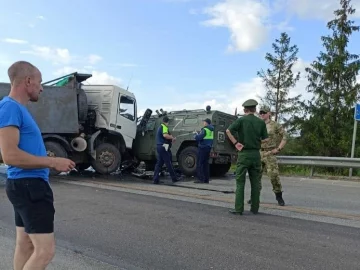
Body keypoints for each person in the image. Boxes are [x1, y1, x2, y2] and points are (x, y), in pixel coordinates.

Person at [0, 61, 75, 270]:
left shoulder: (16, 109)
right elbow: (10, 155)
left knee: (25, 245)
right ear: (28, 81)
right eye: (40, 82)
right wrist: (53, 161)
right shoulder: (10, 107)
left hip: (24, 185)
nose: (42, 87)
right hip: (30, 185)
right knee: (45, 251)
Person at [226, 99, 268, 215]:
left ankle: (239, 209)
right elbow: (266, 139)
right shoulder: (261, 122)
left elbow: (228, 131)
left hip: (244, 153)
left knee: (240, 182)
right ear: (255, 110)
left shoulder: (241, 120)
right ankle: (255, 208)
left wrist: (236, 143)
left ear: (245, 109)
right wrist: (257, 142)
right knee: (255, 182)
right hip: (256, 155)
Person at [247, 105, 286, 206]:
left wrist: (278, 149)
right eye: (260, 113)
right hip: (258, 153)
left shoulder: (275, 125)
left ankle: (279, 196)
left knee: (273, 176)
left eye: (264, 113)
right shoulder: (256, 124)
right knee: (255, 177)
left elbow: (285, 136)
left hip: (270, 153)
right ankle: (254, 197)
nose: (262, 114)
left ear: (269, 113)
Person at [153, 116, 181, 184]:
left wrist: (171, 139)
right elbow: (165, 135)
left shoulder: (160, 127)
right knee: (168, 162)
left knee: (159, 163)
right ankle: (174, 178)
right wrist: (171, 137)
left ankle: (155, 179)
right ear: (167, 122)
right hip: (163, 146)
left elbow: (165, 137)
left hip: (160, 146)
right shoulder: (164, 127)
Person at [194, 118, 214, 184]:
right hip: (208, 147)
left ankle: (200, 179)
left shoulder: (204, 129)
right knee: (206, 164)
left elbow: (199, 137)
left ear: (206, 123)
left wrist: (196, 135)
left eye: (204, 122)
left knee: (200, 163)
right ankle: (206, 179)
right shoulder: (211, 130)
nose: (203, 123)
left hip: (202, 148)